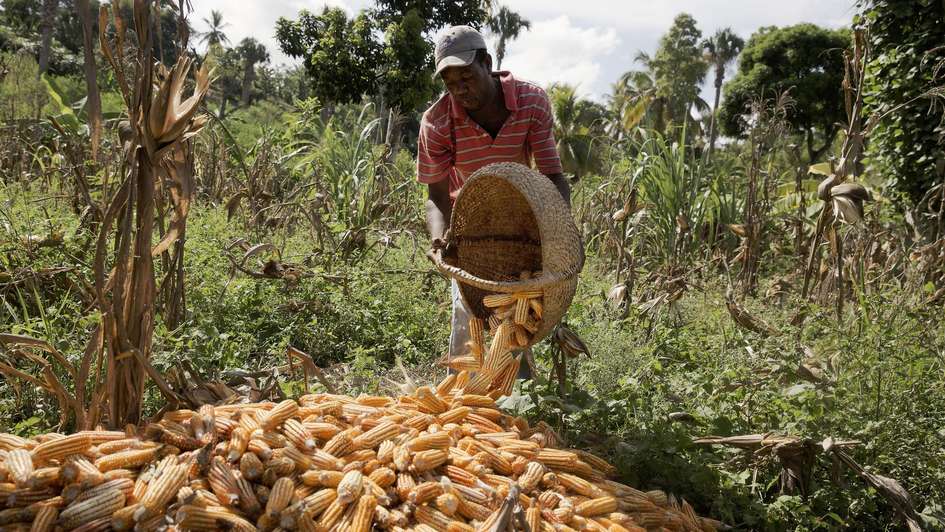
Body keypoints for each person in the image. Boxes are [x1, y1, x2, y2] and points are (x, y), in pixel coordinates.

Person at [417, 25, 570, 378]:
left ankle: (520, 405)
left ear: (487, 62)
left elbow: (552, 175)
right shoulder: (437, 121)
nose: (460, 90)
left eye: (467, 77)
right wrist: (441, 239)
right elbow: (437, 196)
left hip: (521, 224)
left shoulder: (530, 102)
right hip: (468, 231)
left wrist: (559, 233)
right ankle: (463, 407)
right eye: (451, 83)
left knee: (518, 320)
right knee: (468, 321)